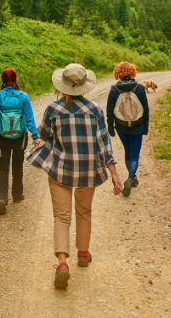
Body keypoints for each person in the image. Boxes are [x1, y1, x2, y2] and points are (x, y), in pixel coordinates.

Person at [28, 63, 123, 289]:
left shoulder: (53, 109)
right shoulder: (96, 110)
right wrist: (114, 172)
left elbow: (43, 136)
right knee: (84, 211)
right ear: (84, 85)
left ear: (61, 86)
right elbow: (104, 143)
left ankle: (62, 263)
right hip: (88, 170)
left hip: (60, 169)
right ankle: (83, 253)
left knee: (61, 217)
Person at [0, 68, 39, 215]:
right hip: (19, 137)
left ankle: (2, 198)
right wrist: (35, 135)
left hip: (0, 137)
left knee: (3, 167)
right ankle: (17, 194)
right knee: (17, 165)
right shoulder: (23, 97)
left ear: (2, 80)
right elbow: (29, 118)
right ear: (16, 79)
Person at [105, 62, 149, 197]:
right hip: (137, 125)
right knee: (135, 154)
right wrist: (145, 127)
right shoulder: (139, 88)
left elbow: (110, 110)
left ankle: (132, 178)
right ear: (132, 72)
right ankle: (130, 178)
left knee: (127, 151)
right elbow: (145, 109)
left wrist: (111, 127)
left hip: (121, 126)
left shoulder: (114, 89)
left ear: (117, 73)